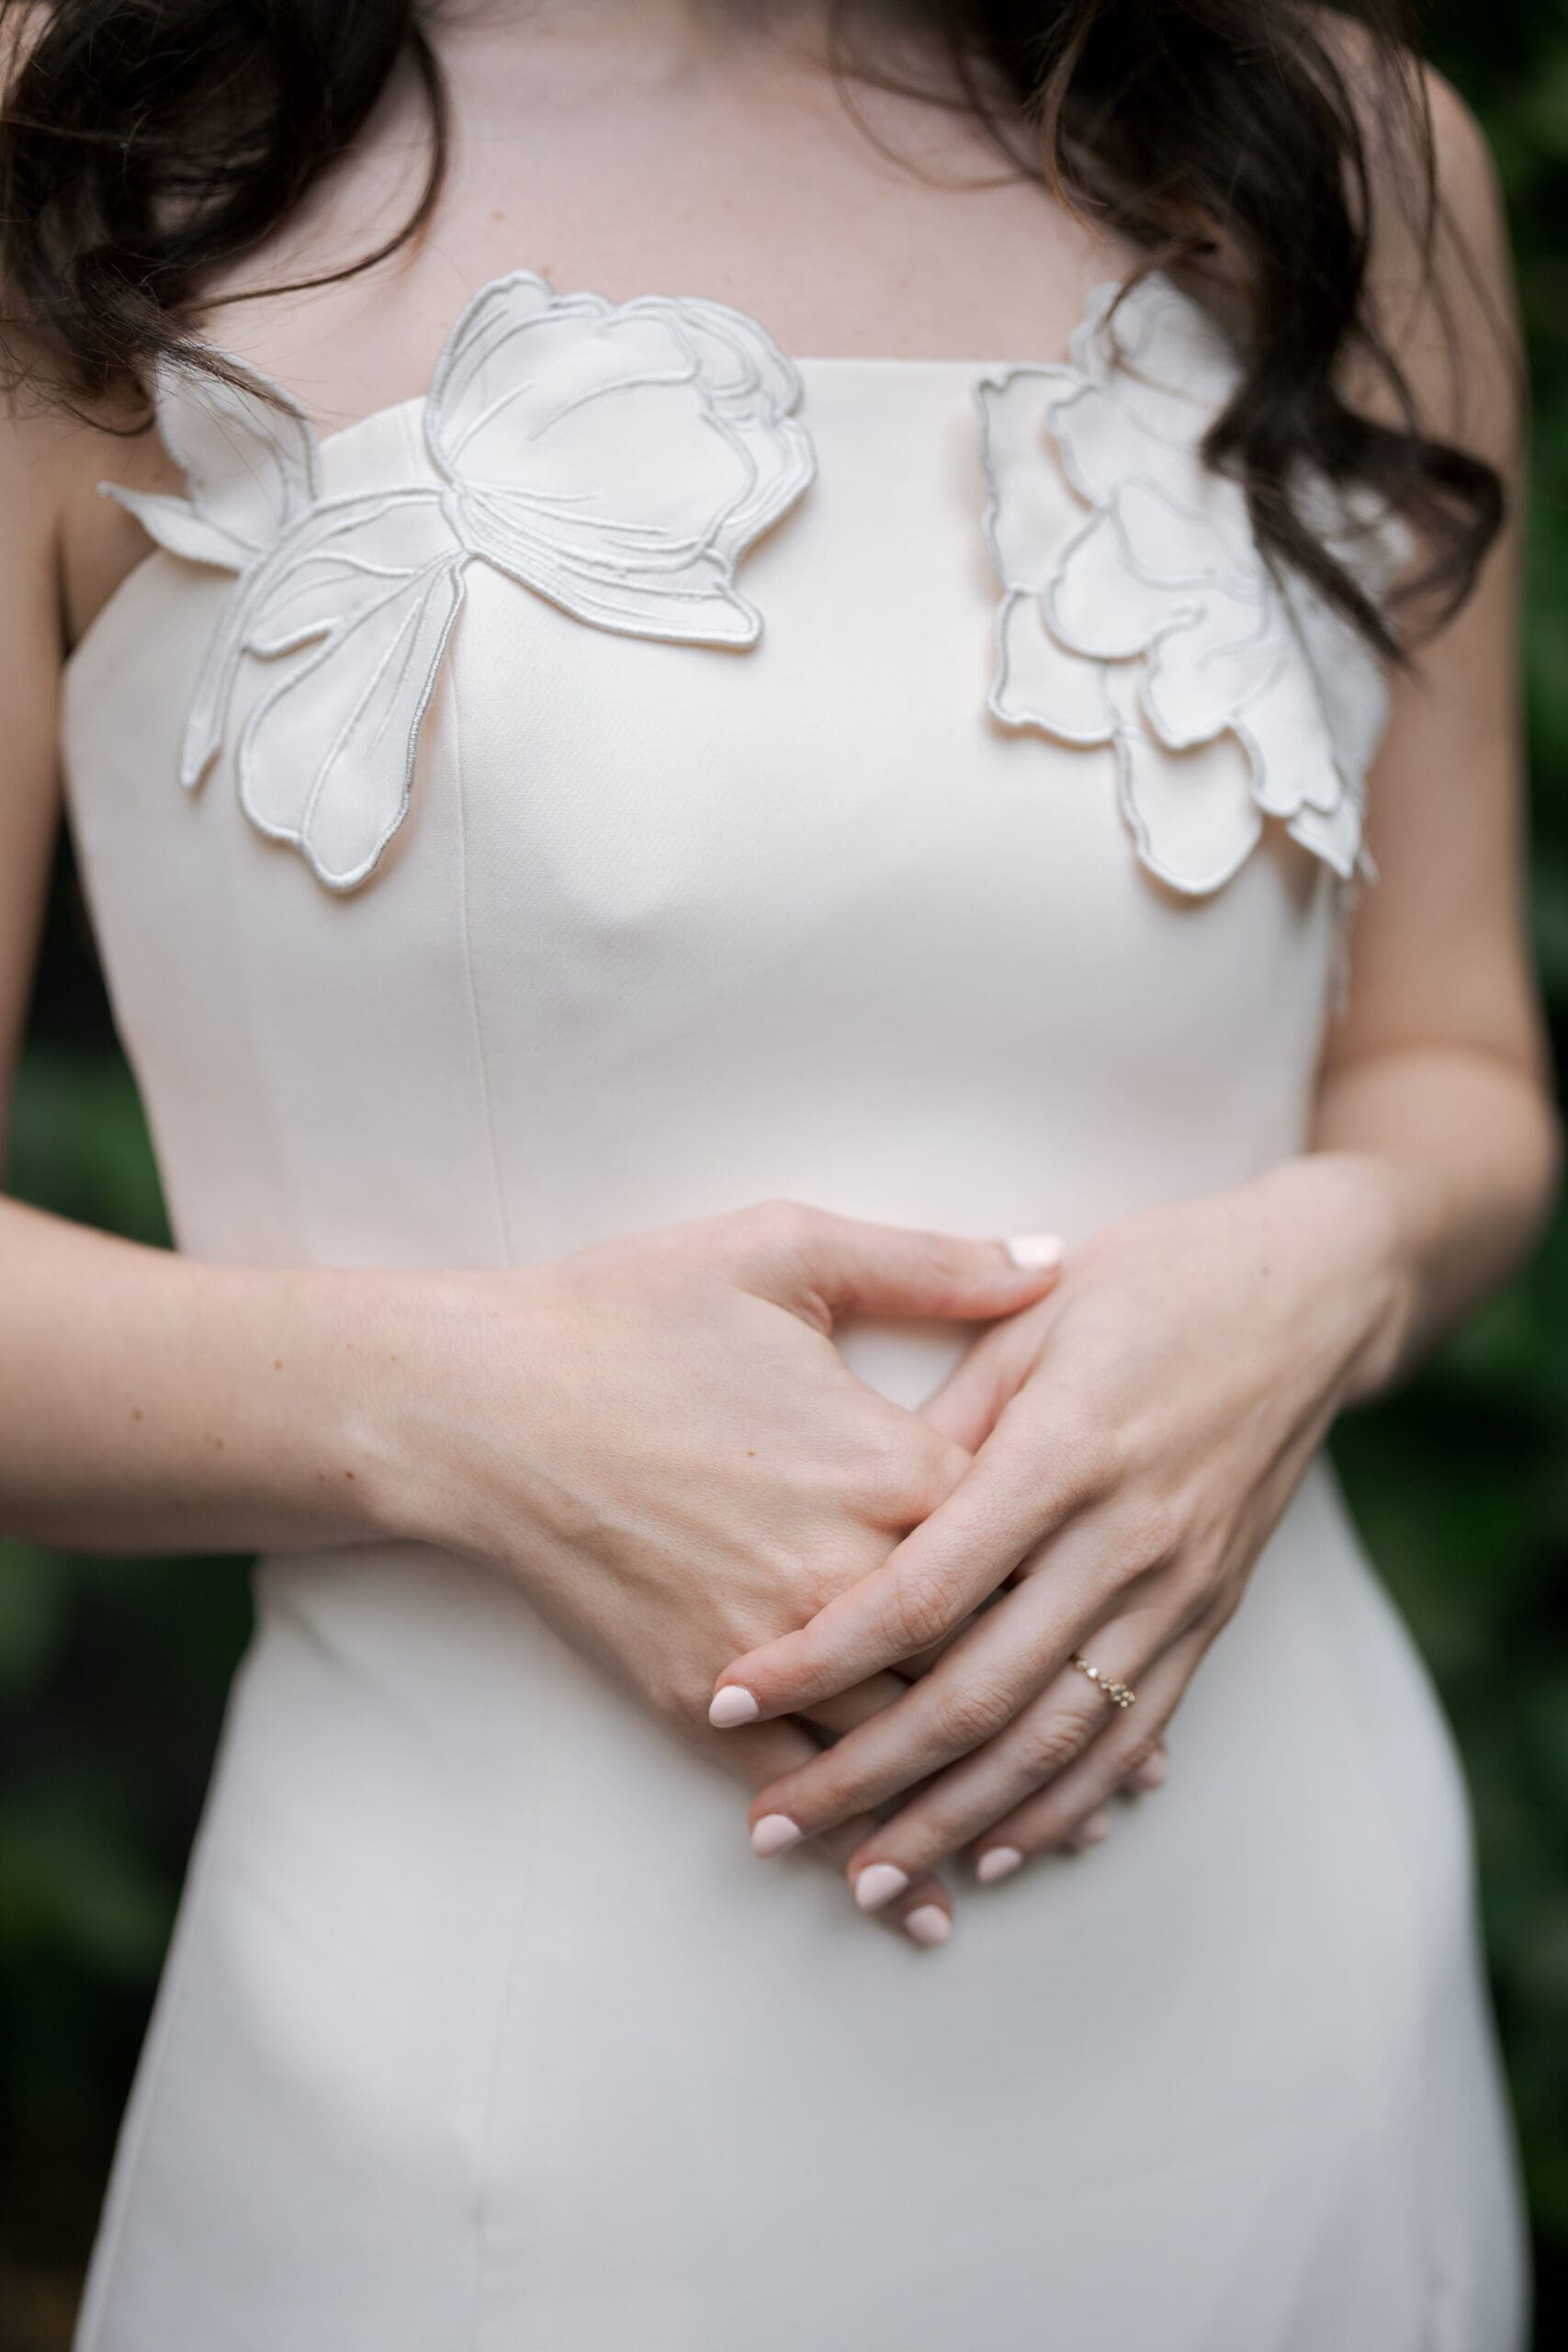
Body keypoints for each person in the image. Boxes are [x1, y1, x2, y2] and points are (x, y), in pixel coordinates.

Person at [0, 2, 1555, 2344]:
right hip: (503, 2105)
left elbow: (1452, 1059)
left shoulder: (1332, 146)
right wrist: (479, 1407)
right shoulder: (83, 133)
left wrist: (1314, 1266)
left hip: (1281, 2008)